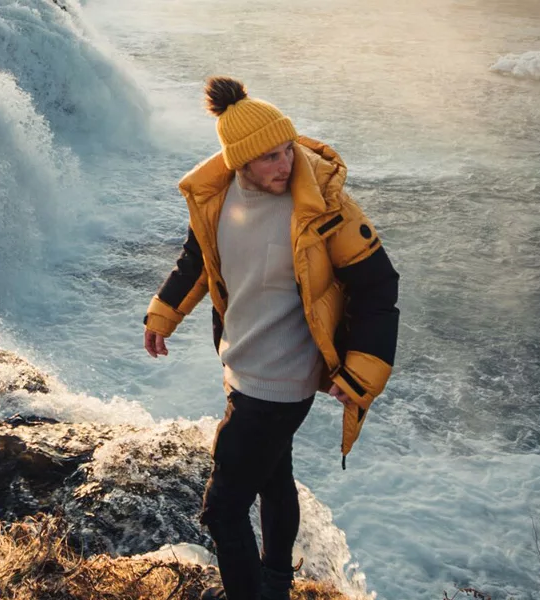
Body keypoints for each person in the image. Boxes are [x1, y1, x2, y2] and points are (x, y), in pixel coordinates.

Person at [141, 76, 400, 600]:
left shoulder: (322, 206)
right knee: (273, 478)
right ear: (239, 162)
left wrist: (360, 372)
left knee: (222, 510)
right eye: (269, 158)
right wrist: (163, 314)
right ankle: (277, 582)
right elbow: (199, 259)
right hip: (242, 365)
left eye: (287, 149)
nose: (286, 164)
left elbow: (378, 285)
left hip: (283, 381)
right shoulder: (216, 197)